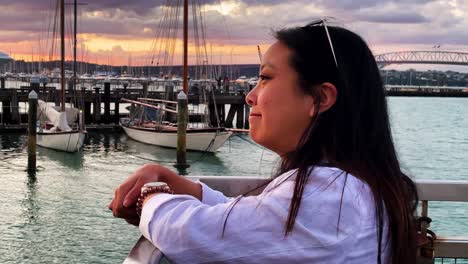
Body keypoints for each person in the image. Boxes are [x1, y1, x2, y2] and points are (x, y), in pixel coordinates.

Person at [109, 19, 418, 264]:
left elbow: (193, 234)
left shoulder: (331, 197)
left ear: (320, 98)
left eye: (266, 78)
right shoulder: (349, 186)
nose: (250, 96)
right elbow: (252, 219)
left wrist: (150, 197)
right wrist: (173, 181)